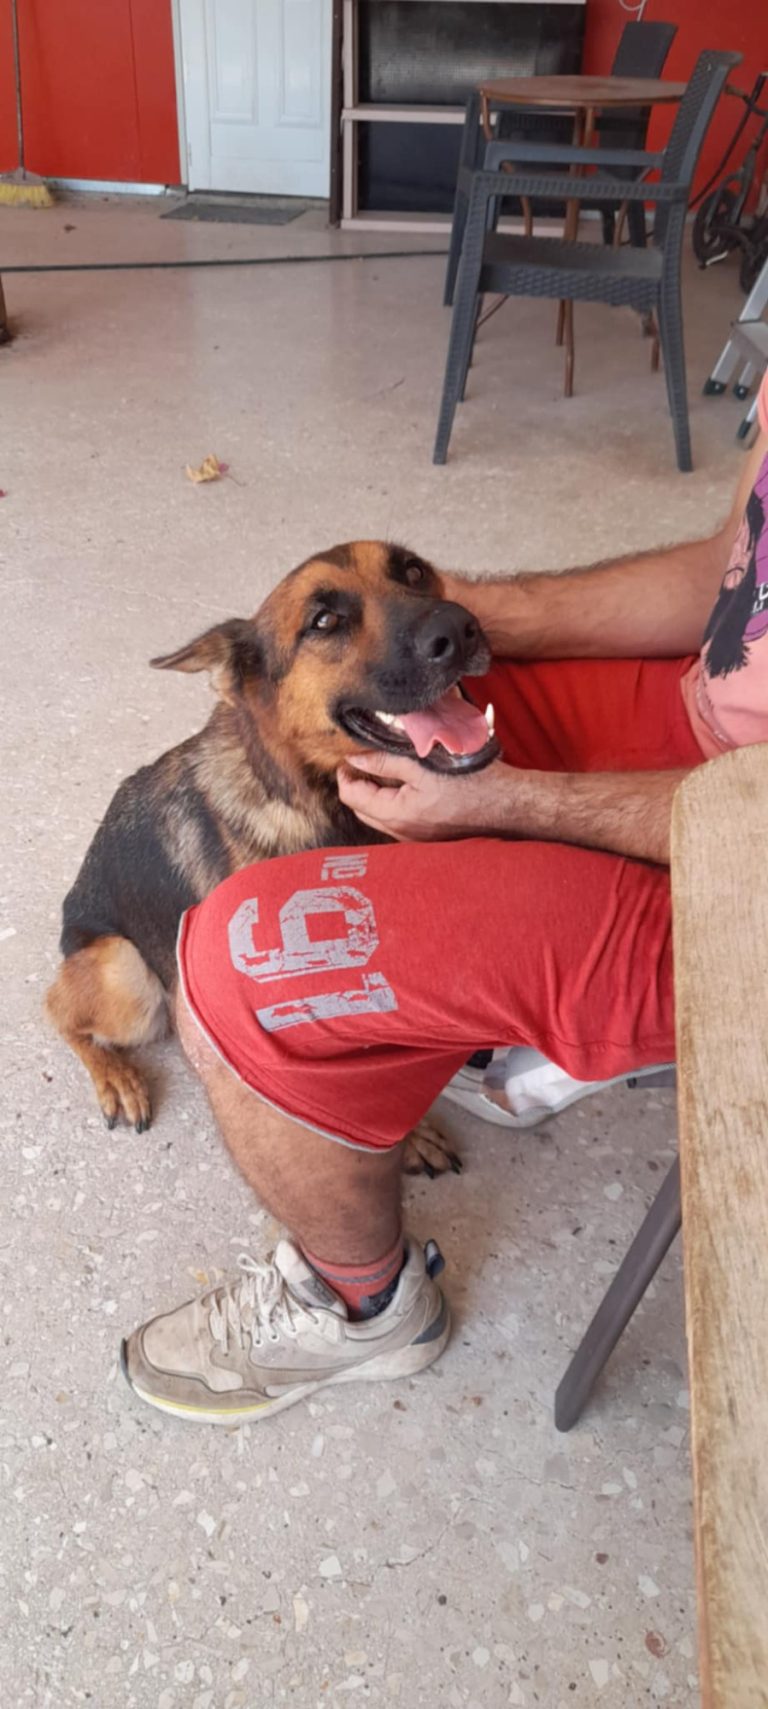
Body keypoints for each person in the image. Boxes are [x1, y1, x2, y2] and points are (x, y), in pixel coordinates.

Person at [121, 388, 768, 1427]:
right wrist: (464, 618)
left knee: (233, 964)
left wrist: (518, 800)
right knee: (432, 732)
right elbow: (730, 574)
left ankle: (363, 1307)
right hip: (706, 714)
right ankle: (462, 1024)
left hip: (750, 870)